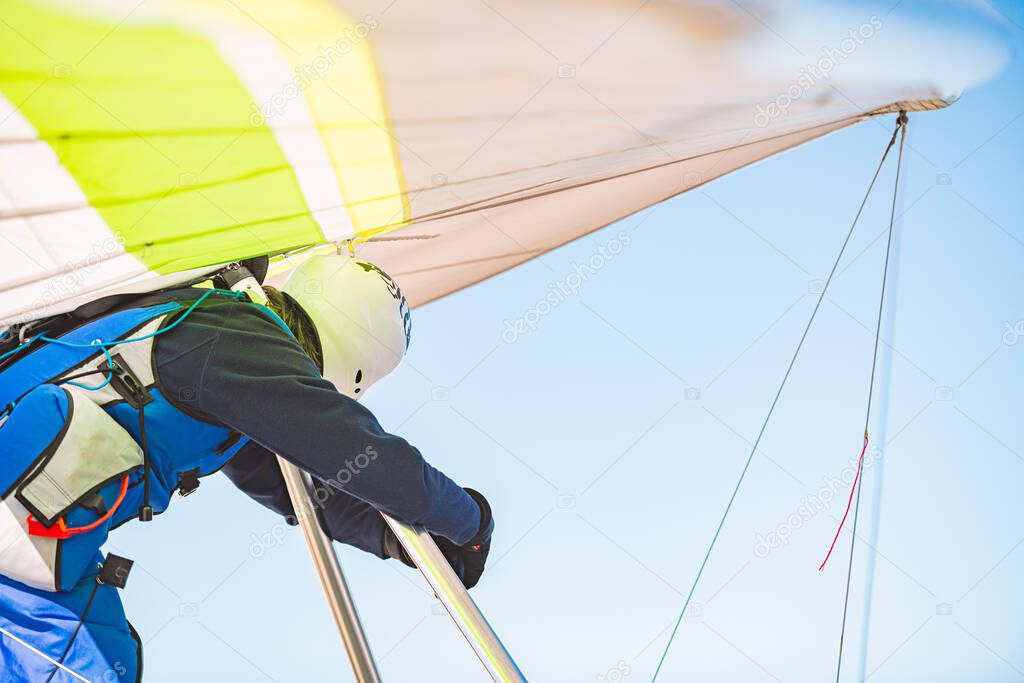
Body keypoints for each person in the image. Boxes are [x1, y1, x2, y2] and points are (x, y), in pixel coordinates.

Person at [0, 254, 492, 682]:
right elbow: (364, 456)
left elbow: (305, 491)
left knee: (98, 646)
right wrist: (468, 521)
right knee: (89, 665)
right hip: (15, 538)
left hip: (22, 543)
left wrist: (395, 539)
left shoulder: (223, 354)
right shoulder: (232, 334)